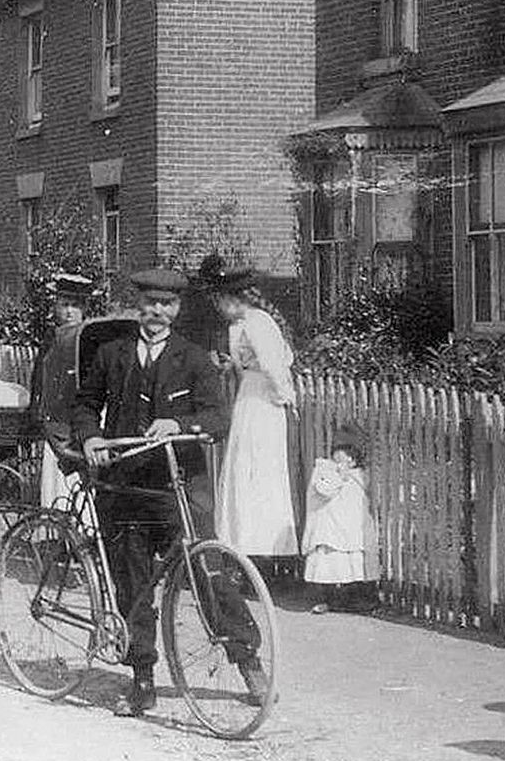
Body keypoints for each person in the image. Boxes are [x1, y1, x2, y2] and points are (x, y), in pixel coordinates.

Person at [72, 265, 265, 716]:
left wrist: (179, 424)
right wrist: (90, 437)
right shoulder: (112, 354)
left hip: (177, 487)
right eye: (150, 304)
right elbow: (84, 405)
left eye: (167, 305)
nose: (157, 312)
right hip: (124, 486)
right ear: (138, 306)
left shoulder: (194, 358)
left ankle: (247, 660)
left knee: (206, 573)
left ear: (177, 310)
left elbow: (218, 419)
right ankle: (142, 678)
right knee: (133, 587)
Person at [208, 269, 301, 561]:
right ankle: (242, 542)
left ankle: (263, 547)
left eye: (219, 301)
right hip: (249, 397)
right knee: (243, 469)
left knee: (259, 471)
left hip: (264, 402)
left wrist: (286, 398)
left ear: (233, 299)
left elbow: (274, 366)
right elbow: (246, 364)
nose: (218, 309)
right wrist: (228, 366)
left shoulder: (259, 322)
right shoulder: (240, 324)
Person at [31, 272, 96, 508]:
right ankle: (57, 526)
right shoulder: (51, 339)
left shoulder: (90, 339)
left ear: (84, 309)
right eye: (64, 305)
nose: (69, 312)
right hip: (55, 418)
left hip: (81, 419)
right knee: (56, 475)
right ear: (55, 307)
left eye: (75, 306)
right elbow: (40, 378)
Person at [303, 427, 379, 614]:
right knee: (330, 562)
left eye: (352, 456)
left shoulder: (361, 475)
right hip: (331, 529)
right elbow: (322, 490)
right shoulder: (325, 469)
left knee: (353, 564)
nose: (346, 459)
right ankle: (326, 597)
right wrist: (339, 476)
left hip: (352, 530)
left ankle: (356, 597)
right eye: (342, 452)